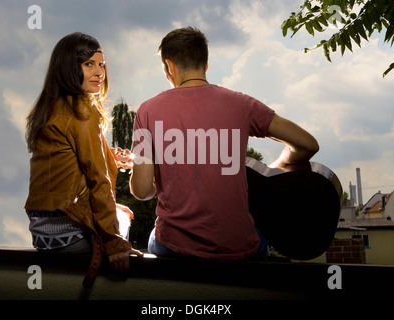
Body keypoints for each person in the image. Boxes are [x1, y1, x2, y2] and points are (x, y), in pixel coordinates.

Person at [129, 27, 319, 260]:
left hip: (176, 247)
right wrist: (275, 169)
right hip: (239, 249)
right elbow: (308, 144)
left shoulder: (147, 110)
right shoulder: (242, 104)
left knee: (153, 238)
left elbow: (140, 191)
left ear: (169, 67)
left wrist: (162, 175)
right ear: (205, 65)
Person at [24, 32, 142, 287]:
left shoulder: (49, 107)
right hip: (69, 234)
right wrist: (113, 240)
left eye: (102, 64)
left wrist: (104, 153)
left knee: (116, 210)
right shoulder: (82, 110)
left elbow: (61, 161)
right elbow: (98, 179)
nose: (99, 72)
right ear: (68, 67)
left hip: (43, 233)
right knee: (122, 218)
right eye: (89, 64)